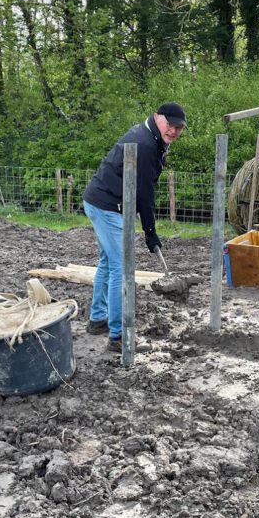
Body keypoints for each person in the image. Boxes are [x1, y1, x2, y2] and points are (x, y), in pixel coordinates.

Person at [82, 102, 186, 351]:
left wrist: (149, 230)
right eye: (170, 125)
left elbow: (141, 189)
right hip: (106, 205)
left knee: (108, 262)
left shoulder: (151, 137)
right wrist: (150, 232)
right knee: (122, 267)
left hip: (100, 201)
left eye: (178, 128)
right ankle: (119, 336)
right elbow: (144, 194)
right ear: (156, 118)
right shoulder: (147, 144)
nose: (173, 131)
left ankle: (98, 319)